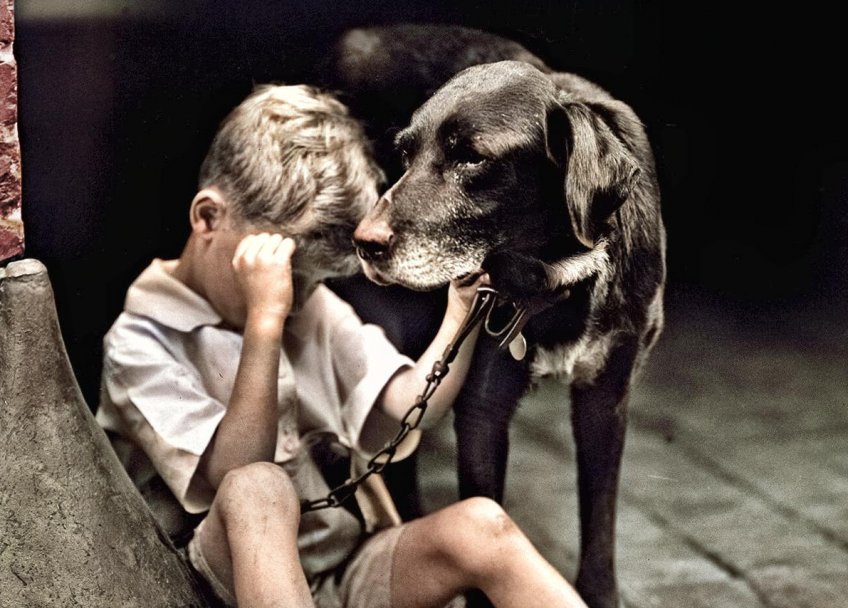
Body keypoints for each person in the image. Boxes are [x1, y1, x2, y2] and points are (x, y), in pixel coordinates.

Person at [96, 83, 587, 608]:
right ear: (209, 218)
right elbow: (232, 472)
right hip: (211, 590)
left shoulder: (306, 305)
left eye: (309, 281)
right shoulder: (138, 343)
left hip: (340, 572)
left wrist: (460, 311)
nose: (296, 293)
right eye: (288, 272)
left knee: (480, 525)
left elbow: (406, 408)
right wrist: (265, 321)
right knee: (257, 487)